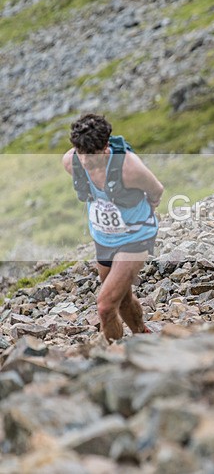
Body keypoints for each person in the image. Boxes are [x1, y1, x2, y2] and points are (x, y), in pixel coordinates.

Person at [61, 113, 163, 342]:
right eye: (80, 152)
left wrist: (142, 214)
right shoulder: (71, 162)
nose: (85, 160)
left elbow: (156, 190)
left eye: (91, 154)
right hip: (104, 238)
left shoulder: (129, 168)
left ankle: (112, 359)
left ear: (105, 146)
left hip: (135, 238)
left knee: (105, 306)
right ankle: (143, 337)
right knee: (123, 297)